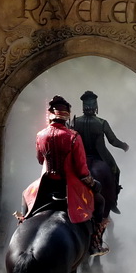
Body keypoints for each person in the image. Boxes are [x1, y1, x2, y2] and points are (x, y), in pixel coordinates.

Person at [21, 95, 110, 256]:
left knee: (25, 196)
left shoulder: (40, 135)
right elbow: (82, 170)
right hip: (70, 185)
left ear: (51, 115)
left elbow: (41, 160)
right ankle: (95, 242)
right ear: (67, 116)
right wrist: (93, 184)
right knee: (100, 201)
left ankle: (22, 227)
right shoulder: (73, 136)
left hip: (46, 184)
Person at [71, 90, 129, 214]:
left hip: (80, 157)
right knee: (116, 171)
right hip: (101, 157)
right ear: (95, 106)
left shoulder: (75, 122)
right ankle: (113, 199)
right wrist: (124, 146)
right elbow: (113, 140)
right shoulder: (101, 122)